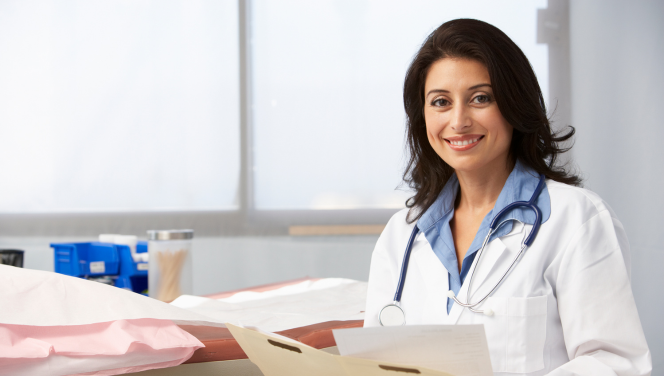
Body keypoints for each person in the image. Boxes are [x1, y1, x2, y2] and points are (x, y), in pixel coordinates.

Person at [364, 19, 651, 375]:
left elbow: (614, 364)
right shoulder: (402, 235)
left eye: (480, 98)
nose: (458, 120)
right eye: (440, 102)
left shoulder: (576, 219)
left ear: (515, 104)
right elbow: (374, 362)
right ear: (422, 117)